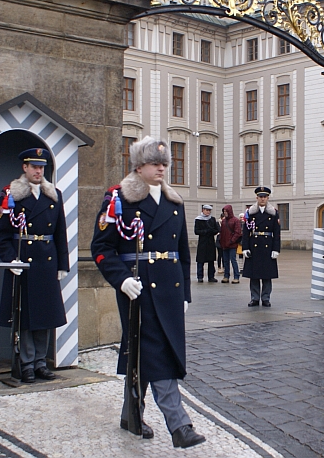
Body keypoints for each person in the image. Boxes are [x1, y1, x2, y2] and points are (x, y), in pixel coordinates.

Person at [91, 136, 206, 449]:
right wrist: (121, 280)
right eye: (156, 164)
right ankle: (179, 425)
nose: (162, 169)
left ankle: (131, 413)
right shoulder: (119, 198)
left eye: (165, 163)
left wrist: (185, 293)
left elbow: (183, 252)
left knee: (144, 354)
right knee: (158, 352)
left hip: (169, 289)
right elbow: (101, 247)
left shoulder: (173, 201)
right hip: (138, 288)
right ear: (138, 166)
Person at [0, 148, 69, 383]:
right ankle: (26, 364)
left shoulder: (53, 194)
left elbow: (60, 233)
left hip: (47, 260)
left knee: (45, 314)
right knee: (25, 315)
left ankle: (39, 363)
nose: (38, 171)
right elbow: (1, 236)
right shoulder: (11, 195)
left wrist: (62, 264)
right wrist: (9, 260)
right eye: (34, 166)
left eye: (41, 167)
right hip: (23, 261)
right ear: (24, 168)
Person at [242, 186, 281, 307]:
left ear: (268, 198)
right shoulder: (250, 212)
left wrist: (276, 249)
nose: (262, 199)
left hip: (268, 246)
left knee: (267, 275)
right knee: (254, 275)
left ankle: (265, 298)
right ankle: (254, 298)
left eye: (265, 197)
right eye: (260, 197)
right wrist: (245, 248)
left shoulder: (273, 213)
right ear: (257, 198)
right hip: (254, 246)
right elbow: (246, 232)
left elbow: (277, 233)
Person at [194, 205, 220, 282]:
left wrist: (212, 231)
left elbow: (216, 229)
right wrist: (206, 231)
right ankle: (200, 276)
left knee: (211, 260)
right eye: (206, 210)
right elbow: (196, 231)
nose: (208, 212)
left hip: (210, 242)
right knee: (200, 260)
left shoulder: (212, 219)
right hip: (202, 242)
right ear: (203, 210)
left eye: (209, 210)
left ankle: (211, 276)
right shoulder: (198, 219)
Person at [219, 205, 242, 283]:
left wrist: (232, 241)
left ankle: (236, 276)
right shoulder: (224, 221)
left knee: (233, 260)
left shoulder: (235, 220)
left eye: (226, 211)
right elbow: (221, 233)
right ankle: (226, 276)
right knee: (225, 261)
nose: (225, 213)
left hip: (232, 244)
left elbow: (238, 232)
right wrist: (221, 242)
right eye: (224, 212)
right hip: (224, 244)